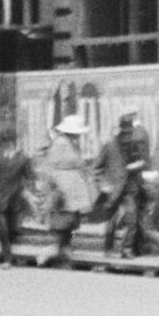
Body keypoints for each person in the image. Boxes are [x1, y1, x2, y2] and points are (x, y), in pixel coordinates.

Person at [95, 111, 153, 258]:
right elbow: (96, 169)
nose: (128, 136)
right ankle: (108, 249)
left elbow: (142, 162)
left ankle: (126, 249)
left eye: (130, 132)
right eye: (125, 133)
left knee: (132, 220)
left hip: (129, 189)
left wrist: (138, 166)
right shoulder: (109, 146)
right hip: (113, 190)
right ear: (120, 131)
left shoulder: (135, 145)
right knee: (112, 222)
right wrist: (104, 184)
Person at [41, 114, 96, 267]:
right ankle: (61, 249)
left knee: (70, 220)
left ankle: (64, 248)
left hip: (72, 188)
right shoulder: (61, 144)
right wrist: (53, 187)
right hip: (63, 187)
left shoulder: (71, 144)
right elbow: (50, 167)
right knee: (63, 220)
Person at [0, 128, 36, 267]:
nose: (7, 144)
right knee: (3, 230)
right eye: (5, 141)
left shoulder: (23, 158)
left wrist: (29, 193)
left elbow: (29, 177)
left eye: (9, 141)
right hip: (0, 198)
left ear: (14, 142)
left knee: (14, 229)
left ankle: (9, 252)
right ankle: (7, 258)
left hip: (16, 198)